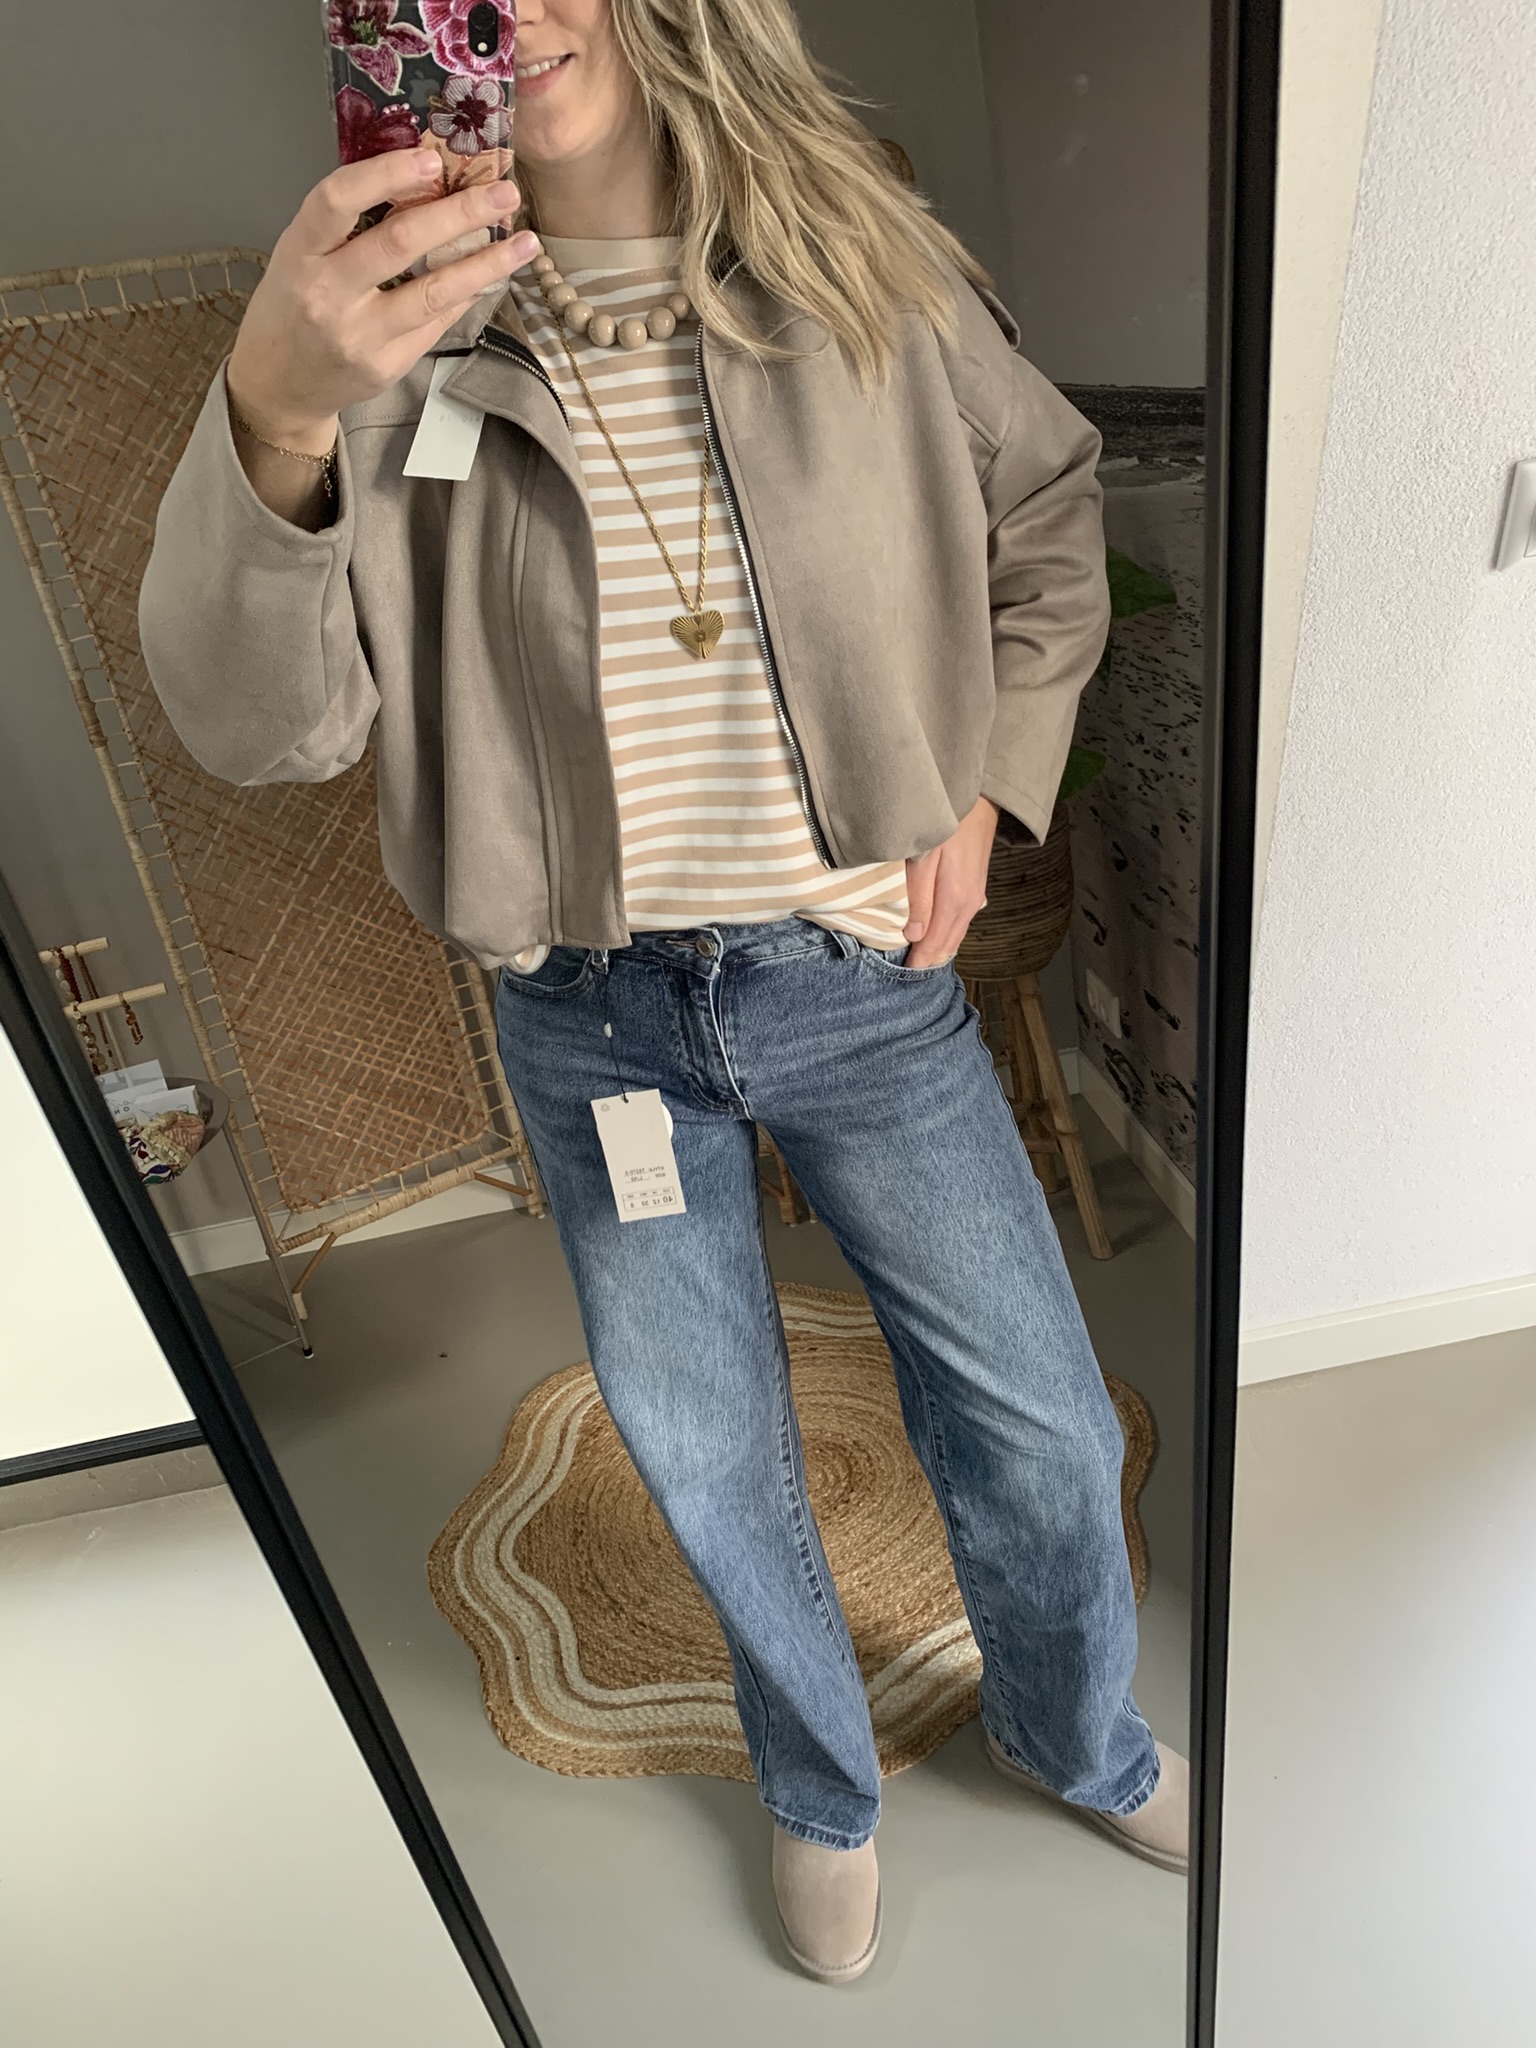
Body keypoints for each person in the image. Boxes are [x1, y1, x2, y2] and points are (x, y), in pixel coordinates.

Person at [140, 0, 1189, 1985]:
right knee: (704, 1448)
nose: (508, 10)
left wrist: (990, 778)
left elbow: (1047, 512)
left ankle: (1080, 1736)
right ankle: (820, 1786)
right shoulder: (390, 338)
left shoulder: (860, 262)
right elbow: (265, 727)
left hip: (861, 982)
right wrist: (273, 416)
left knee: (1043, 1426)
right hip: (595, 1020)